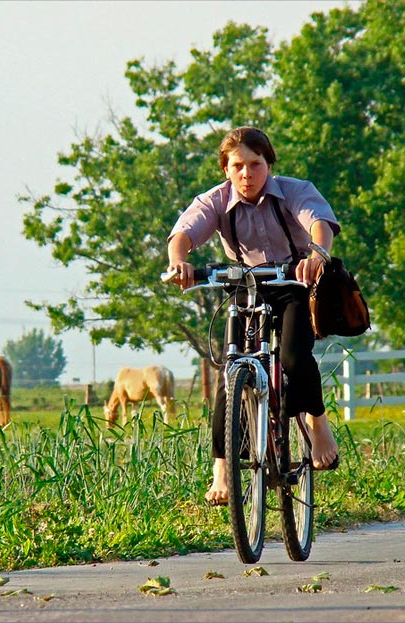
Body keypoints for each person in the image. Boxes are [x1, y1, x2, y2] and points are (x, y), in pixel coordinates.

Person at [165, 126, 340, 506]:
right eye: (238, 165)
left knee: (294, 356)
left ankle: (318, 424)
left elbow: (319, 225)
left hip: (294, 284)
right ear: (226, 169)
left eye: (255, 164)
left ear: (269, 164)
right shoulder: (215, 200)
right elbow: (184, 233)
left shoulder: (294, 190)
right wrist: (179, 262)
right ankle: (222, 470)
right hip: (245, 286)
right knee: (232, 373)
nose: (247, 174)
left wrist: (316, 257)